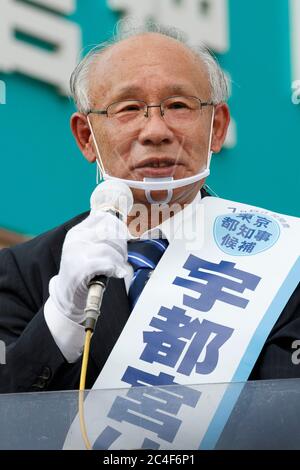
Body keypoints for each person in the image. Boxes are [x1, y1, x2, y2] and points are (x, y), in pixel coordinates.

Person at [0, 22, 299, 394]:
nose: (156, 130)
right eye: (128, 108)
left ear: (217, 128)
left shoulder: (285, 262)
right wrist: (63, 316)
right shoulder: (24, 272)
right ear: (86, 137)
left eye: (178, 106)